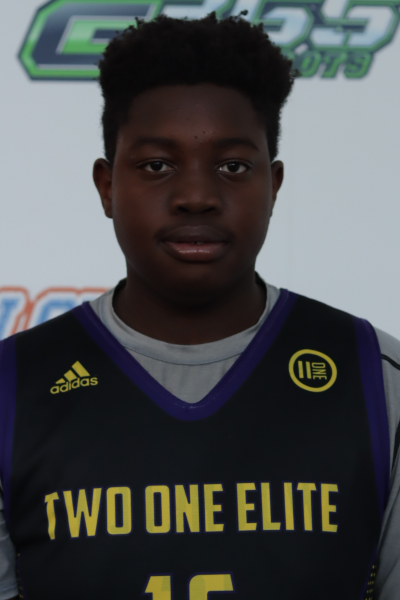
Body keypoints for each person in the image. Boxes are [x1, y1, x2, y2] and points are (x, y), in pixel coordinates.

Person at [0, 13, 399, 600]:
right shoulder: (12, 388)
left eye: (233, 166)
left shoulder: (375, 379)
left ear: (274, 185)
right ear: (107, 187)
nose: (196, 196)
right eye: (156, 166)